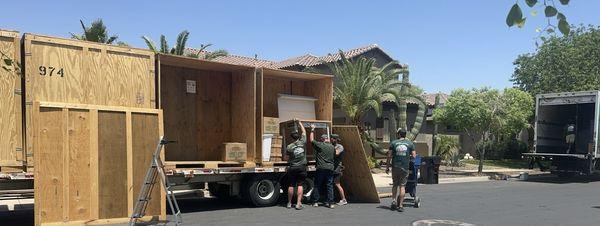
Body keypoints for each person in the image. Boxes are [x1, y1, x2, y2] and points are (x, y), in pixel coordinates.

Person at [386, 128, 416, 212]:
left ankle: (393, 201)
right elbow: (414, 156)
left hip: (395, 167)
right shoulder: (410, 143)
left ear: (399, 135)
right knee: (402, 186)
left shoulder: (394, 143)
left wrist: (387, 167)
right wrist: (407, 157)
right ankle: (400, 205)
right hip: (405, 167)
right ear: (405, 135)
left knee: (395, 184)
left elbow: (389, 156)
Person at [309, 124, 336, 209]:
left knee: (317, 184)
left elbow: (311, 140)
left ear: (322, 139)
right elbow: (334, 156)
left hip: (321, 168)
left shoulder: (320, 145)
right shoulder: (332, 147)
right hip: (330, 168)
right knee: (329, 185)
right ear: (327, 139)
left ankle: (315, 202)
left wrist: (312, 129)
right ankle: (331, 203)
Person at [285, 120, 308, 210]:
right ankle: (298, 203)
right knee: (300, 185)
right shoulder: (302, 142)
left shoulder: (289, 146)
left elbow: (286, 158)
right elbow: (304, 132)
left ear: (291, 138)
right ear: (299, 137)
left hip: (293, 167)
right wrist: (300, 123)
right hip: (302, 167)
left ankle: (289, 203)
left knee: (291, 185)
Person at [331, 134, 347, 205]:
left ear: (336, 139)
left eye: (332, 138)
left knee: (337, 184)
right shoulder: (332, 146)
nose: (331, 139)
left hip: (337, 168)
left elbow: (336, 153)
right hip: (332, 167)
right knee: (332, 184)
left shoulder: (339, 147)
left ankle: (343, 199)